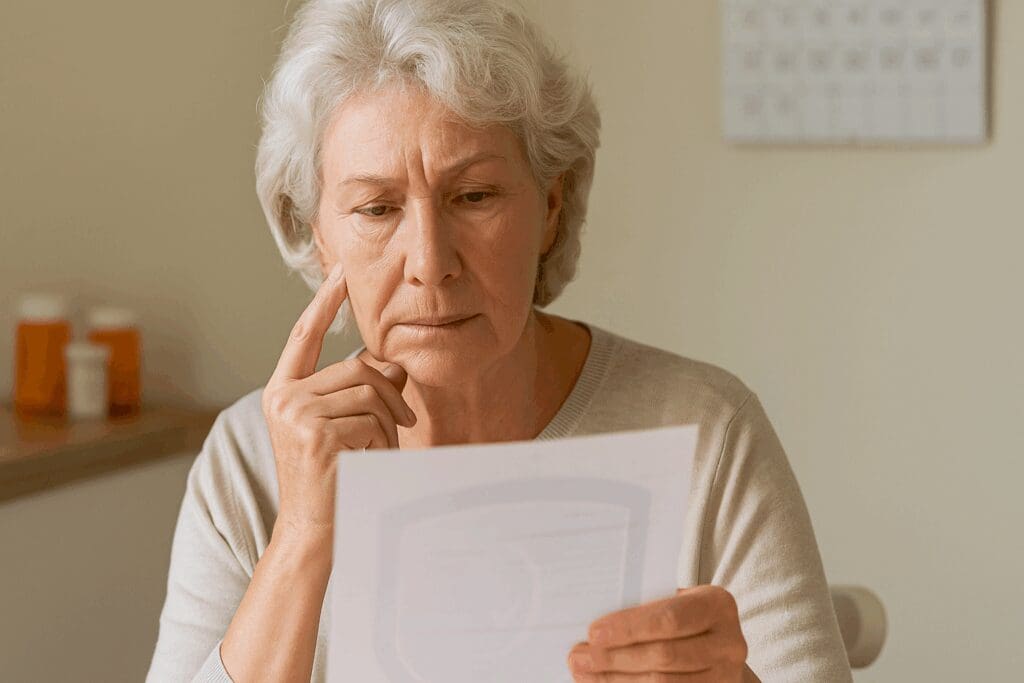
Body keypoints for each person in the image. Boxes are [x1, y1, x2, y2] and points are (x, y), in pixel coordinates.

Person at [146, 0, 852, 681]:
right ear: (321, 237)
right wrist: (301, 532)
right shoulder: (248, 462)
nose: (430, 260)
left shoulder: (704, 431)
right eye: (377, 208)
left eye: (474, 196)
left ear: (549, 207)